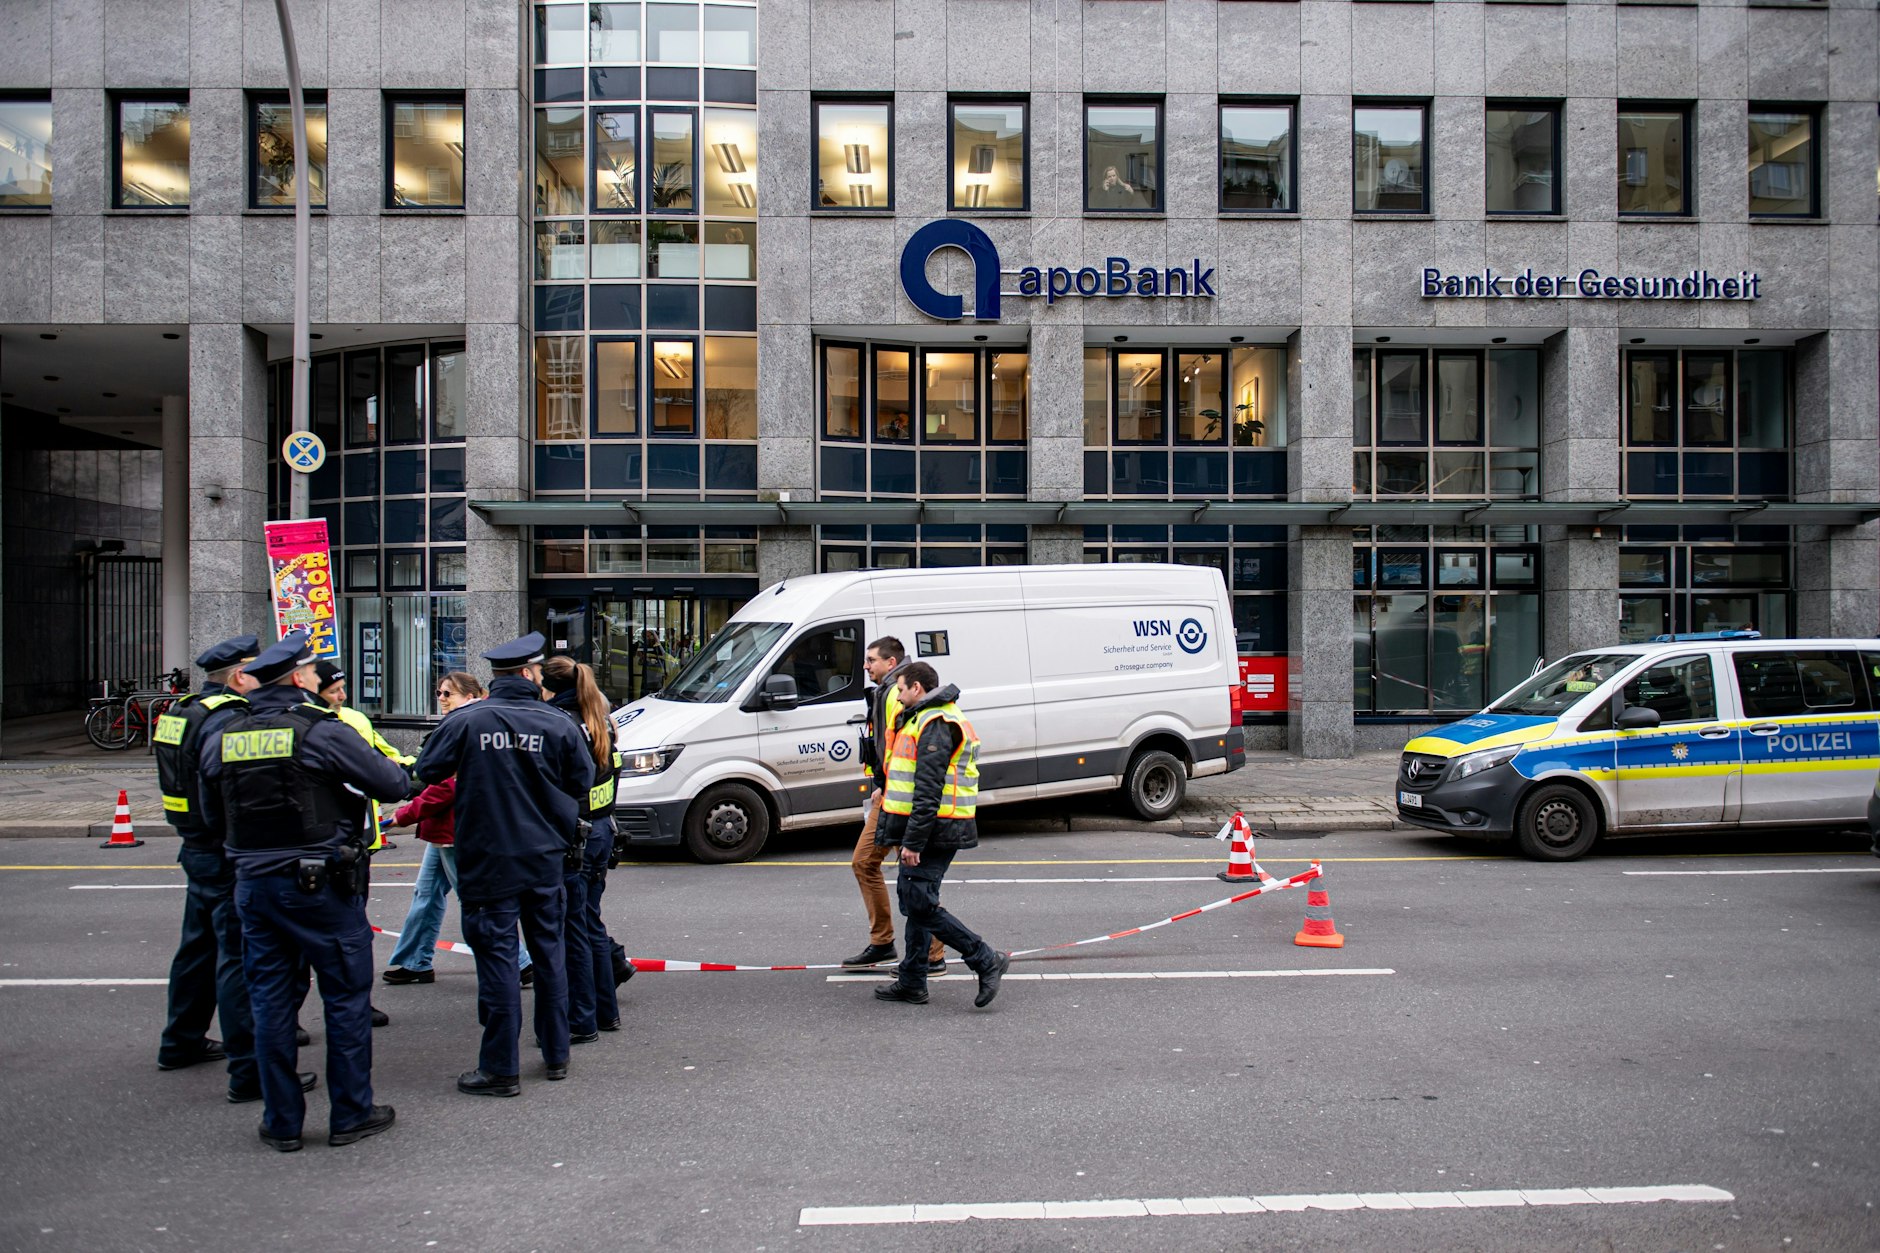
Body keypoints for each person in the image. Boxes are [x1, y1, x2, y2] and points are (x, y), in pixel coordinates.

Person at [201, 631, 411, 1152]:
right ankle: (351, 1113)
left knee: (270, 1001)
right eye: (316, 670)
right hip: (320, 885)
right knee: (343, 997)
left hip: (253, 885)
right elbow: (392, 784)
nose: (320, 677)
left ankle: (282, 1120)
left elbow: (211, 814)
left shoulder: (224, 732)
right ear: (298, 678)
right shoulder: (320, 730)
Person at [412, 632, 593, 1097]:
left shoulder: (469, 719)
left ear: (496, 677)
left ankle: (499, 1068)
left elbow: (426, 769)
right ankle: (556, 1053)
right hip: (545, 858)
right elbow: (583, 782)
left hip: (488, 860)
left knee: (497, 962)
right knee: (549, 955)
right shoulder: (557, 722)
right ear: (531, 675)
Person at [154, 634, 261, 1098]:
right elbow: (227, 784)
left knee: (197, 948)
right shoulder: (228, 719)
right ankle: (250, 1066)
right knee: (236, 955)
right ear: (239, 675)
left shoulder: (181, 711)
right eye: (258, 671)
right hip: (221, 847)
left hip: (194, 842)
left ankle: (180, 1041)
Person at [871, 662, 1009, 1010]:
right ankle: (913, 981)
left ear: (917, 688)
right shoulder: (926, 717)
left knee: (917, 899)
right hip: (932, 825)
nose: (897, 697)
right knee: (914, 898)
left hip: (937, 828)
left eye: (901, 689)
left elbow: (929, 789)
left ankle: (984, 957)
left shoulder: (936, 723)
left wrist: (914, 842)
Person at [843, 636, 945, 974]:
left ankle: (928, 954)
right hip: (891, 795)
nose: (866, 666)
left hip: (899, 801)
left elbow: (899, 747)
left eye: (871, 660)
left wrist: (887, 788)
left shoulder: (894, 694)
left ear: (891, 662)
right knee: (876, 866)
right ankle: (887, 943)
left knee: (903, 873)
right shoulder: (888, 691)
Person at [381, 672, 484, 985]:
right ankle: (414, 961)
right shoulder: (462, 724)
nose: (441, 698)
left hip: (455, 830)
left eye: (447, 694)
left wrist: (405, 814)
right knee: (426, 895)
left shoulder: (464, 726)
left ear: (470, 696)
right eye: (439, 692)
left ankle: (517, 961)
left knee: (473, 901)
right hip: (443, 831)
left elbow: (447, 787)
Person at [541, 657, 625, 1036]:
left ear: (549, 688)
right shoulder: (600, 720)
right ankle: (605, 1012)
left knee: (574, 927)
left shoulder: (562, 724)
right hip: (601, 830)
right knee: (590, 923)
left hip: (576, 836)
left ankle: (584, 1018)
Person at [314, 660, 415, 851]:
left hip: (362, 832)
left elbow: (385, 753)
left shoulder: (356, 718)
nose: (342, 696)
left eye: (342, 689)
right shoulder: (306, 726)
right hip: (326, 834)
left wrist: (416, 769)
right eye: (333, 691)